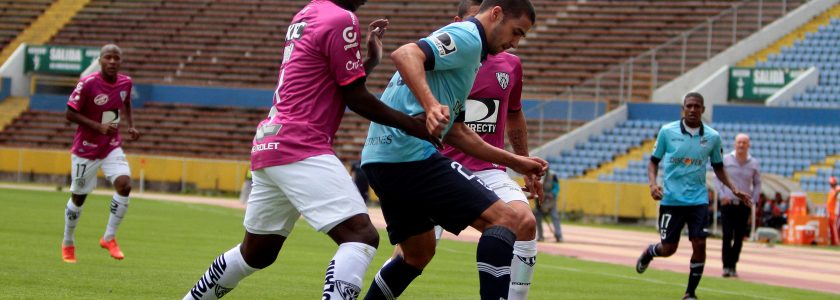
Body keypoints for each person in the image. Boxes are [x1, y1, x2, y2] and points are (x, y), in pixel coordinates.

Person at [183, 1, 439, 299]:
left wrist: (369, 62)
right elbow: (355, 98)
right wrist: (413, 125)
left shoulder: (307, 12)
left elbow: (331, 84)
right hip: (300, 143)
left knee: (256, 253)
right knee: (361, 236)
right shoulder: (342, 18)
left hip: (270, 143)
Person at [360, 1, 543, 299]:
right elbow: (405, 54)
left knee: (417, 254)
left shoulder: (471, 55)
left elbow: (456, 132)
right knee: (506, 221)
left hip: (380, 159)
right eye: (516, 32)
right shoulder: (470, 36)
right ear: (496, 14)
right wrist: (431, 105)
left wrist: (516, 161)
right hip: (410, 156)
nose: (515, 42)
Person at [635, 93, 751, 300]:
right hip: (671, 200)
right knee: (669, 248)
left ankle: (690, 293)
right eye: (689, 106)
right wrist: (653, 185)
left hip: (698, 200)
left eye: (697, 106)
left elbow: (718, 167)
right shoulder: (667, 132)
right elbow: (653, 162)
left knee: (699, 242)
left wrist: (734, 189)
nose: (692, 110)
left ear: (703, 110)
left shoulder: (713, 137)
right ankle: (650, 252)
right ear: (683, 108)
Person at [61, 44, 140, 263]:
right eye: (108, 57)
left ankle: (109, 237)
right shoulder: (87, 84)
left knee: (125, 184)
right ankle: (68, 242)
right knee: (79, 197)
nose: (112, 61)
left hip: (111, 145)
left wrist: (131, 125)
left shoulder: (125, 82)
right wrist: (98, 127)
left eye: (116, 58)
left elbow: (126, 103)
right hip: (86, 148)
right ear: (100, 60)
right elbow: (69, 113)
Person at [714, 133, 761, 278]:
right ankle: (726, 266)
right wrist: (722, 195)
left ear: (749, 145)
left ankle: (733, 265)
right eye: (739, 142)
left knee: (739, 236)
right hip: (728, 203)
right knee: (727, 234)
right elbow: (717, 178)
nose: (741, 145)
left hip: (743, 205)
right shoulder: (726, 159)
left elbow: (758, 183)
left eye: (744, 142)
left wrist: (753, 200)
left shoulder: (754, 163)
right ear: (735, 144)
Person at [534, 171, 562, 243]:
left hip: (550, 200)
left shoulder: (553, 175)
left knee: (555, 216)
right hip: (540, 200)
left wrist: (553, 193)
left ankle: (559, 235)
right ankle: (540, 236)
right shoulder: (536, 175)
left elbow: (557, 187)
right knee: (538, 217)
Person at [826, 176, 839, 245]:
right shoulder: (831, 191)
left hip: (834, 212)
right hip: (830, 211)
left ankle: (836, 241)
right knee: (831, 227)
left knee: (834, 227)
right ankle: (833, 241)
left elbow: (837, 191)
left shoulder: (836, 190)